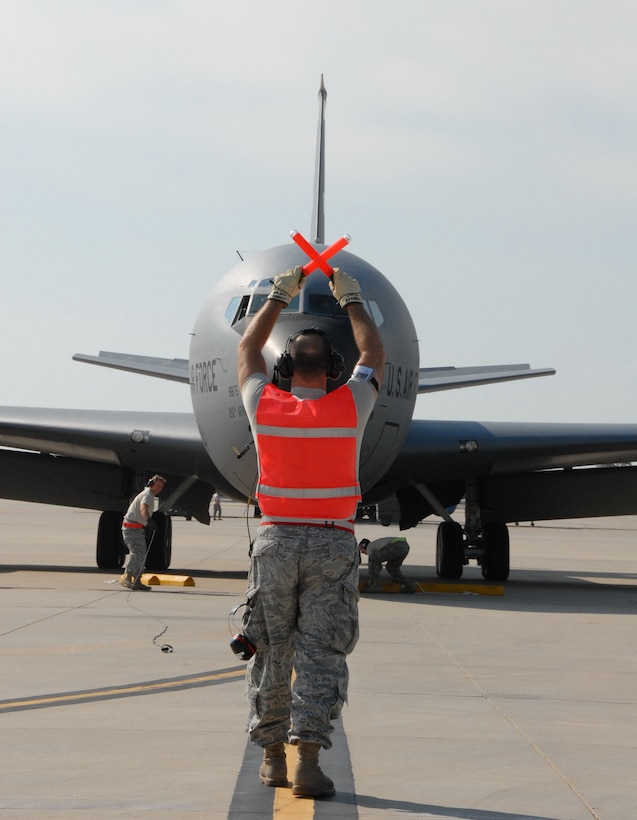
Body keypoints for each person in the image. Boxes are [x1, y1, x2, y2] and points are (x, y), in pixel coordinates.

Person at [237, 264, 385, 798]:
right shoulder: (351, 404)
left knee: (271, 649)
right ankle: (308, 765)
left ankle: (273, 757)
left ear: (284, 367)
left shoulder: (264, 404)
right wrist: (351, 299)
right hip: (331, 542)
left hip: (275, 541)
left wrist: (278, 295)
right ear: (334, 369)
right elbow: (374, 355)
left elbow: (246, 353)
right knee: (322, 654)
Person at [119, 474, 166, 591]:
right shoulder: (148, 495)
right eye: (158, 486)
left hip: (136, 527)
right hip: (131, 528)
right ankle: (128, 576)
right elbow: (143, 508)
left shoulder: (148, 495)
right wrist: (149, 520)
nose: (159, 489)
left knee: (141, 553)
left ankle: (137, 580)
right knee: (137, 552)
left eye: (161, 487)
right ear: (151, 484)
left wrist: (144, 526)